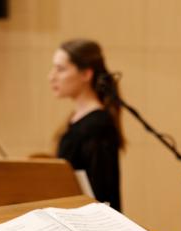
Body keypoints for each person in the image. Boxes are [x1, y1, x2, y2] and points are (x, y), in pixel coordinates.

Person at [48, 39, 124, 211]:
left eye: (60, 69)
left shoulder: (98, 125)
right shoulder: (77, 119)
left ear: (86, 74)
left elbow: (102, 191)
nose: (51, 76)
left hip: (92, 224)